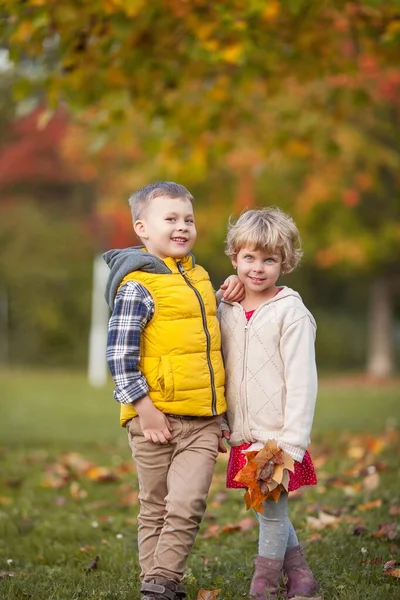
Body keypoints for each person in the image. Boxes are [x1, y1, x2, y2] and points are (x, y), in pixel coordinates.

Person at [104, 181, 242, 600]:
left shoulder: (199, 278)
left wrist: (228, 292)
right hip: (153, 421)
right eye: (171, 219)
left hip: (201, 420)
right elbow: (119, 354)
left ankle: (162, 582)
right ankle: (157, 585)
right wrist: (143, 408)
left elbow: (202, 338)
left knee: (186, 505)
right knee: (155, 505)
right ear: (142, 228)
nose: (182, 227)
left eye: (188, 219)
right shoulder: (137, 285)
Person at [218, 207, 321, 600]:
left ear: (285, 263)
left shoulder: (291, 314)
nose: (257, 268)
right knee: (267, 508)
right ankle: (302, 578)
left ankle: (261, 586)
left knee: (272, 513)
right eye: (249, 258)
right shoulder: (226, 307)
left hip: (277, 437)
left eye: (269, 259)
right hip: (243, 430)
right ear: (234, 258)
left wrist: (292, 441)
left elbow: (302, 382)